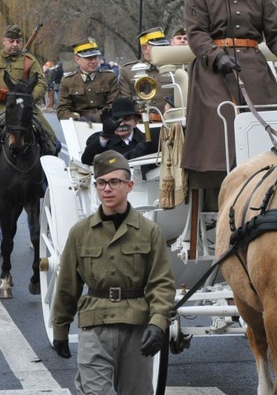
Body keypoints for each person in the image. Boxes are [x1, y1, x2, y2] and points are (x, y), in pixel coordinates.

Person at [52, 150, 175, 394]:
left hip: (136, 327)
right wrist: (60, 328)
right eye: (101, 183)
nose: (107, 189)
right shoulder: (80, 232)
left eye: (114, 182)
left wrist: (158, 322)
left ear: (129, 186)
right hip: (95, 327)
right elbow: (67, 284)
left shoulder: (149, 231)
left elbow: (161, 283)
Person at [182, 0, 277, 193]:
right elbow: (196, 33)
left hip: (253, 67)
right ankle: (216, 183)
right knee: (217, 117)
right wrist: (215, 56)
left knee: (275, 110)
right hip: (213, 70)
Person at [0, 24, 57, 161]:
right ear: (4, 41)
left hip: (25, 107)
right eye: (11, 41)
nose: (15, 45)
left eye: (18, 41)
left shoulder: (30, 61)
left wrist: (28, 100)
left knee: (52, 142)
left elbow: (41, 84)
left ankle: (48, 178)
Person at [80, 98, 158, 166]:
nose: (121, 123)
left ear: (136, 122)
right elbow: (86, 160)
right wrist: (105, 136)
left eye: (126, 119)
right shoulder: (98, 139)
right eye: (116, 119)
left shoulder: (148, 140)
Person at [57, 38, 119, 122]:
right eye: (89, 58)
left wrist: (94, 118)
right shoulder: (67, 81)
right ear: (77, 59)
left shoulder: (109, 77)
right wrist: (76, 119)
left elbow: (114, 105)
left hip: (105, 123)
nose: (94, 61)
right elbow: (62, 110)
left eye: (95, 57)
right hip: (78, 124)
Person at [117, 27, 174, 113]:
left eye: (164, 46)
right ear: (145, 48)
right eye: (159, 47)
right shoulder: (128, 71)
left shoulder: (173, 68)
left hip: (168, 121)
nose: (163, 49)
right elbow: (126, 103)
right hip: (140, 122)